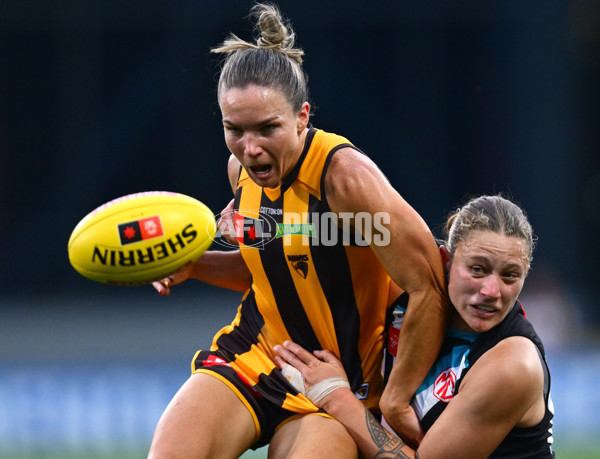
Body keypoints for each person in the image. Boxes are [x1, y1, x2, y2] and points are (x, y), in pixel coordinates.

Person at [147, 3, 447, 459]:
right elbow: (272, 271)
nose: (250, 149)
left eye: (268, 128)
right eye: (235, 130)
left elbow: (428, 286)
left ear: (303, 116)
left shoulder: (345, 179)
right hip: (256, 353)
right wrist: (193, 264)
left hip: (335, 383)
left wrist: (395, 398)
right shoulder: (239, 172)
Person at [274, 195, 555, 458]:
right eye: (477, 269)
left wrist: (335, 396)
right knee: (306, 432)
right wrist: (249, 225)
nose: (492, 291)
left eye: (510, 275)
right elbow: (316, 245)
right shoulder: (406, 292)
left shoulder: (512, 364)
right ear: (445, 261)